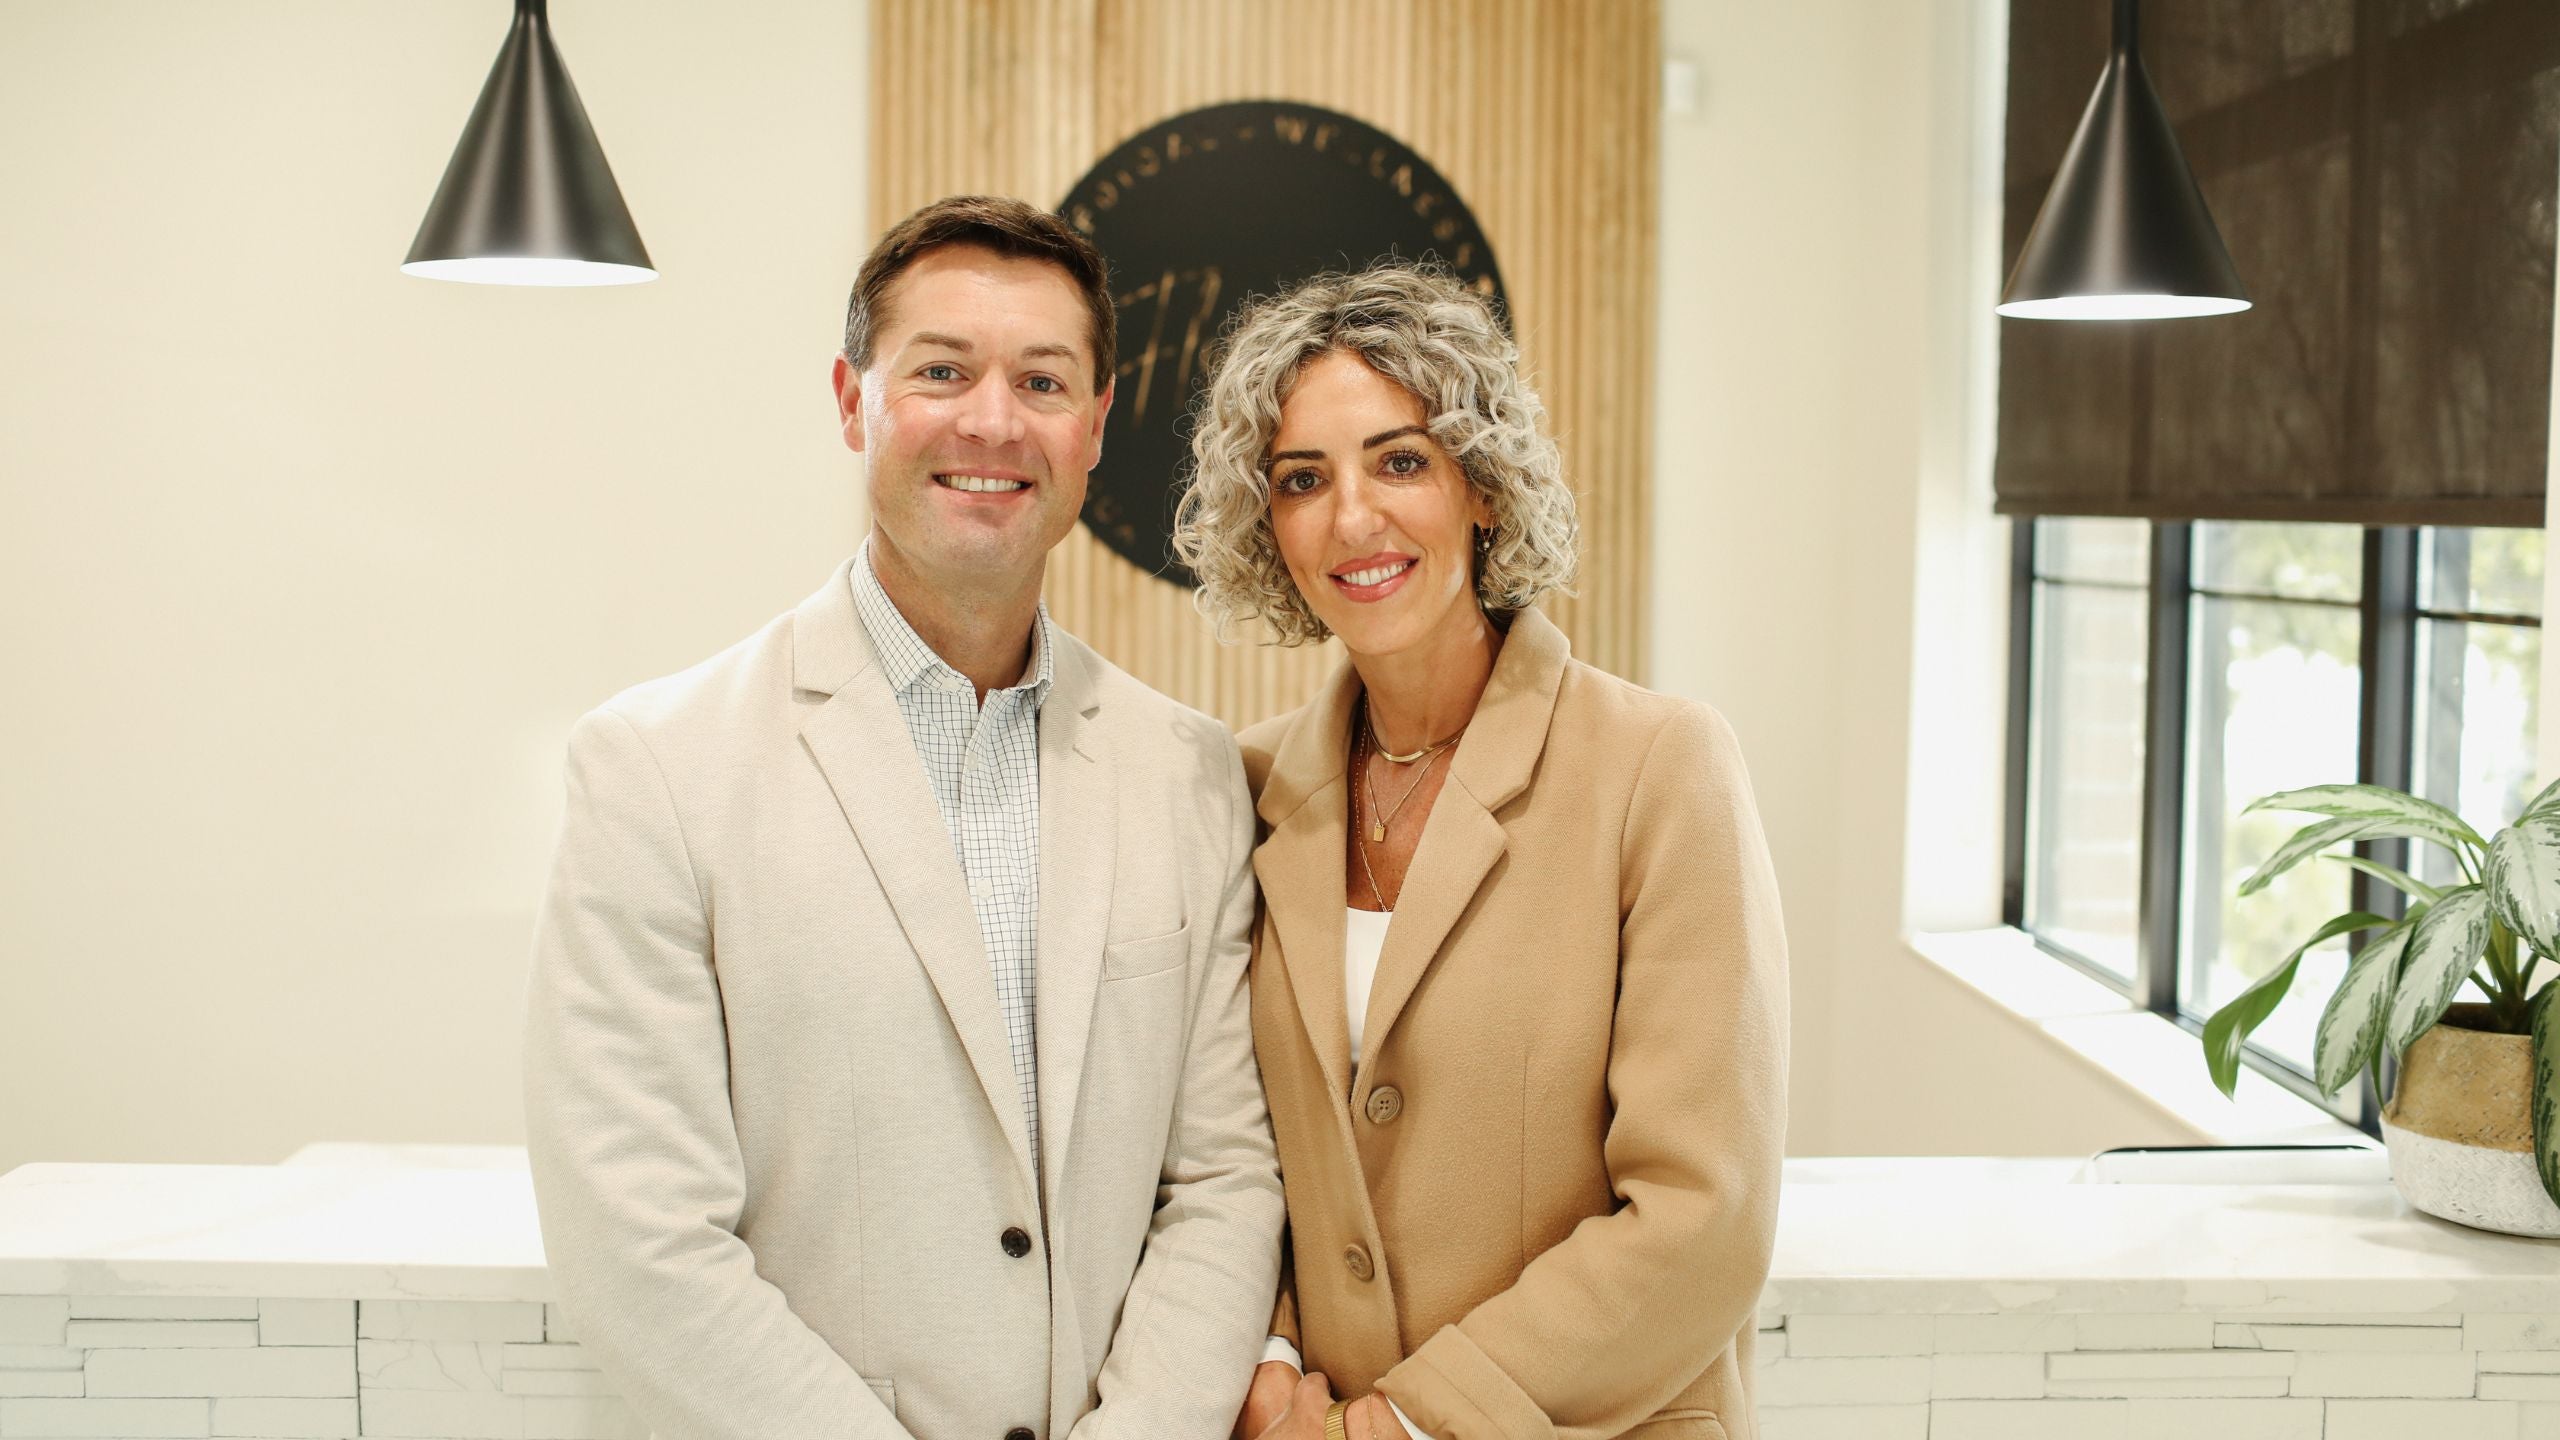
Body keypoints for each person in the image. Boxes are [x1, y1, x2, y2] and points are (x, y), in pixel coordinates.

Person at [523, 195, 1285, 1440]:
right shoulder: (656, 769)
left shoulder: (1190, 776)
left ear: (1095, 427)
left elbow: (1223, 1182)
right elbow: (641, 1239)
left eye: (1042, 380)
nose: (992, 420)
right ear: (849, 400)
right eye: (940, 371)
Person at [1172, 265, 1788, 1440]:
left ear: (1484, 489)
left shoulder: (1660, 767)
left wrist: (1403, 1425)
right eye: (1303, 480)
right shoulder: (1240, 791)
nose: (1352, 516)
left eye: (1400, 461)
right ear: (1272, 528)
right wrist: (1261, 1355)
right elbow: (1218, 1159)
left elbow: (1704, 1215)